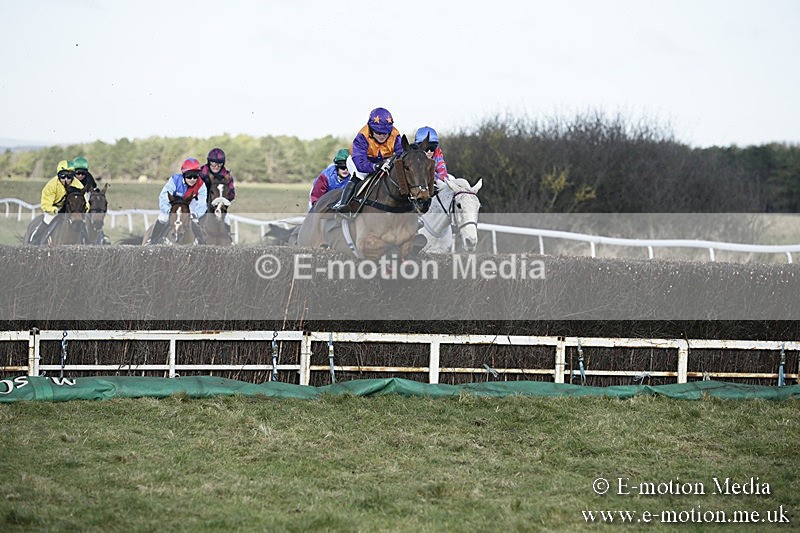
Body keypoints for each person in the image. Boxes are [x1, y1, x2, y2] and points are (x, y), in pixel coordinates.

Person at [332, 107, 404, 212]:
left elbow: (400, 153)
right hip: (358, 161)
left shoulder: (395, 135)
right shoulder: (362, 136)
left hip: (382, 160)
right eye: (378, 132)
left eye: (385, 133)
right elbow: (360, 163)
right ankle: (343, 205)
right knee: (360, 177)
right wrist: (375, 166)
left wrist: (390, 162)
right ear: (371, 129)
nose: (382, 136)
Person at [146, 158, 208, 245]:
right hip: (174, 206)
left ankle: (202, 243)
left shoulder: (201, 185)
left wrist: (196, 214)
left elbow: (202, 204)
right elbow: (163, 197)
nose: (193, 179)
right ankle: (152, 241)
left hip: (189, 206)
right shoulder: (174, 180)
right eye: (189, 176)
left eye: (195, 176)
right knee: (163, 217)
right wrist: (168, 210)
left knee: (195, 221)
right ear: (184, 175)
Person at [28, 160, 87, 244]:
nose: (66, 180)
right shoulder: (51, 185)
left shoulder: (78, 185)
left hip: (70, 208)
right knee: (48, 219)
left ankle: (87, 242)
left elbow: (84, 201)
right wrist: (54, 210)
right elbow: (45, 204)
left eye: (69, 177)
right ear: (58, 176)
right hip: (53, 208)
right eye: (63, 176)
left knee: (81, 221)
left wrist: (84, 209)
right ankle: (34, 239)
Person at [199, 147, 236, 235]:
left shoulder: (227, 176)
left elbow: (231, 194)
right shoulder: (201, 173)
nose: (216, 166)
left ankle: (228, 240)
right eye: (213, 163)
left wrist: (222, 202)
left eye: (219, 164)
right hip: (200, 202)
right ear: (209, 162)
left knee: (226, 221)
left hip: (217, 204)